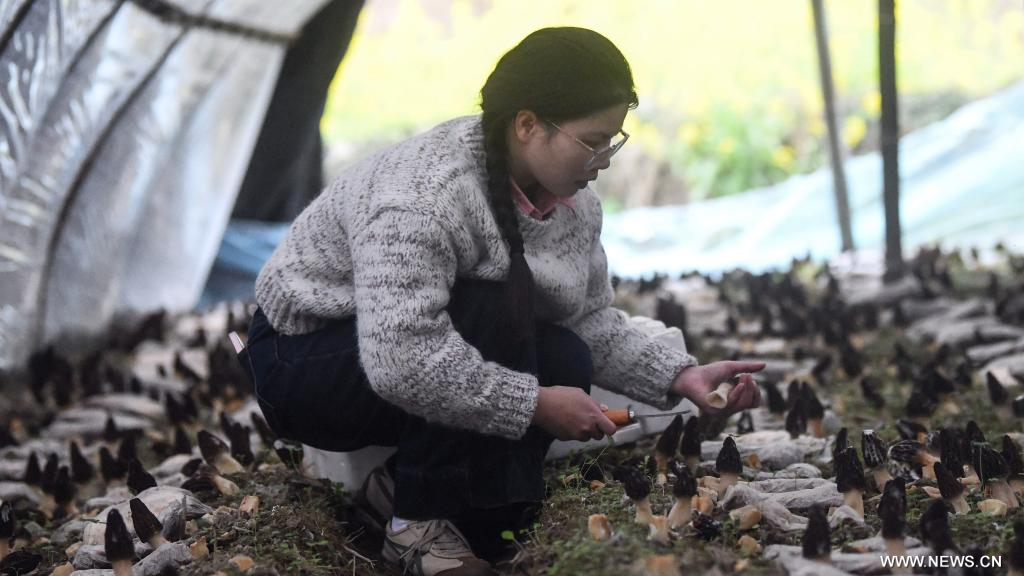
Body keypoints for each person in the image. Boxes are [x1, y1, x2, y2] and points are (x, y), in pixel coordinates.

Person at [245, 26, 764, 576]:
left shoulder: (574, 207)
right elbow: (402, 359)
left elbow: (586, 320)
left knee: (563, 356)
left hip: (402, 352)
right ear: (527, 125)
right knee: (492, 306)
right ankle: (414, 526)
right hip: (305, 364)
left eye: (614, 140)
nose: (605, 159)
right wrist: (534, 404)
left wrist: (681, 376)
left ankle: (397, 490)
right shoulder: (422, 196)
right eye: (593, 141)